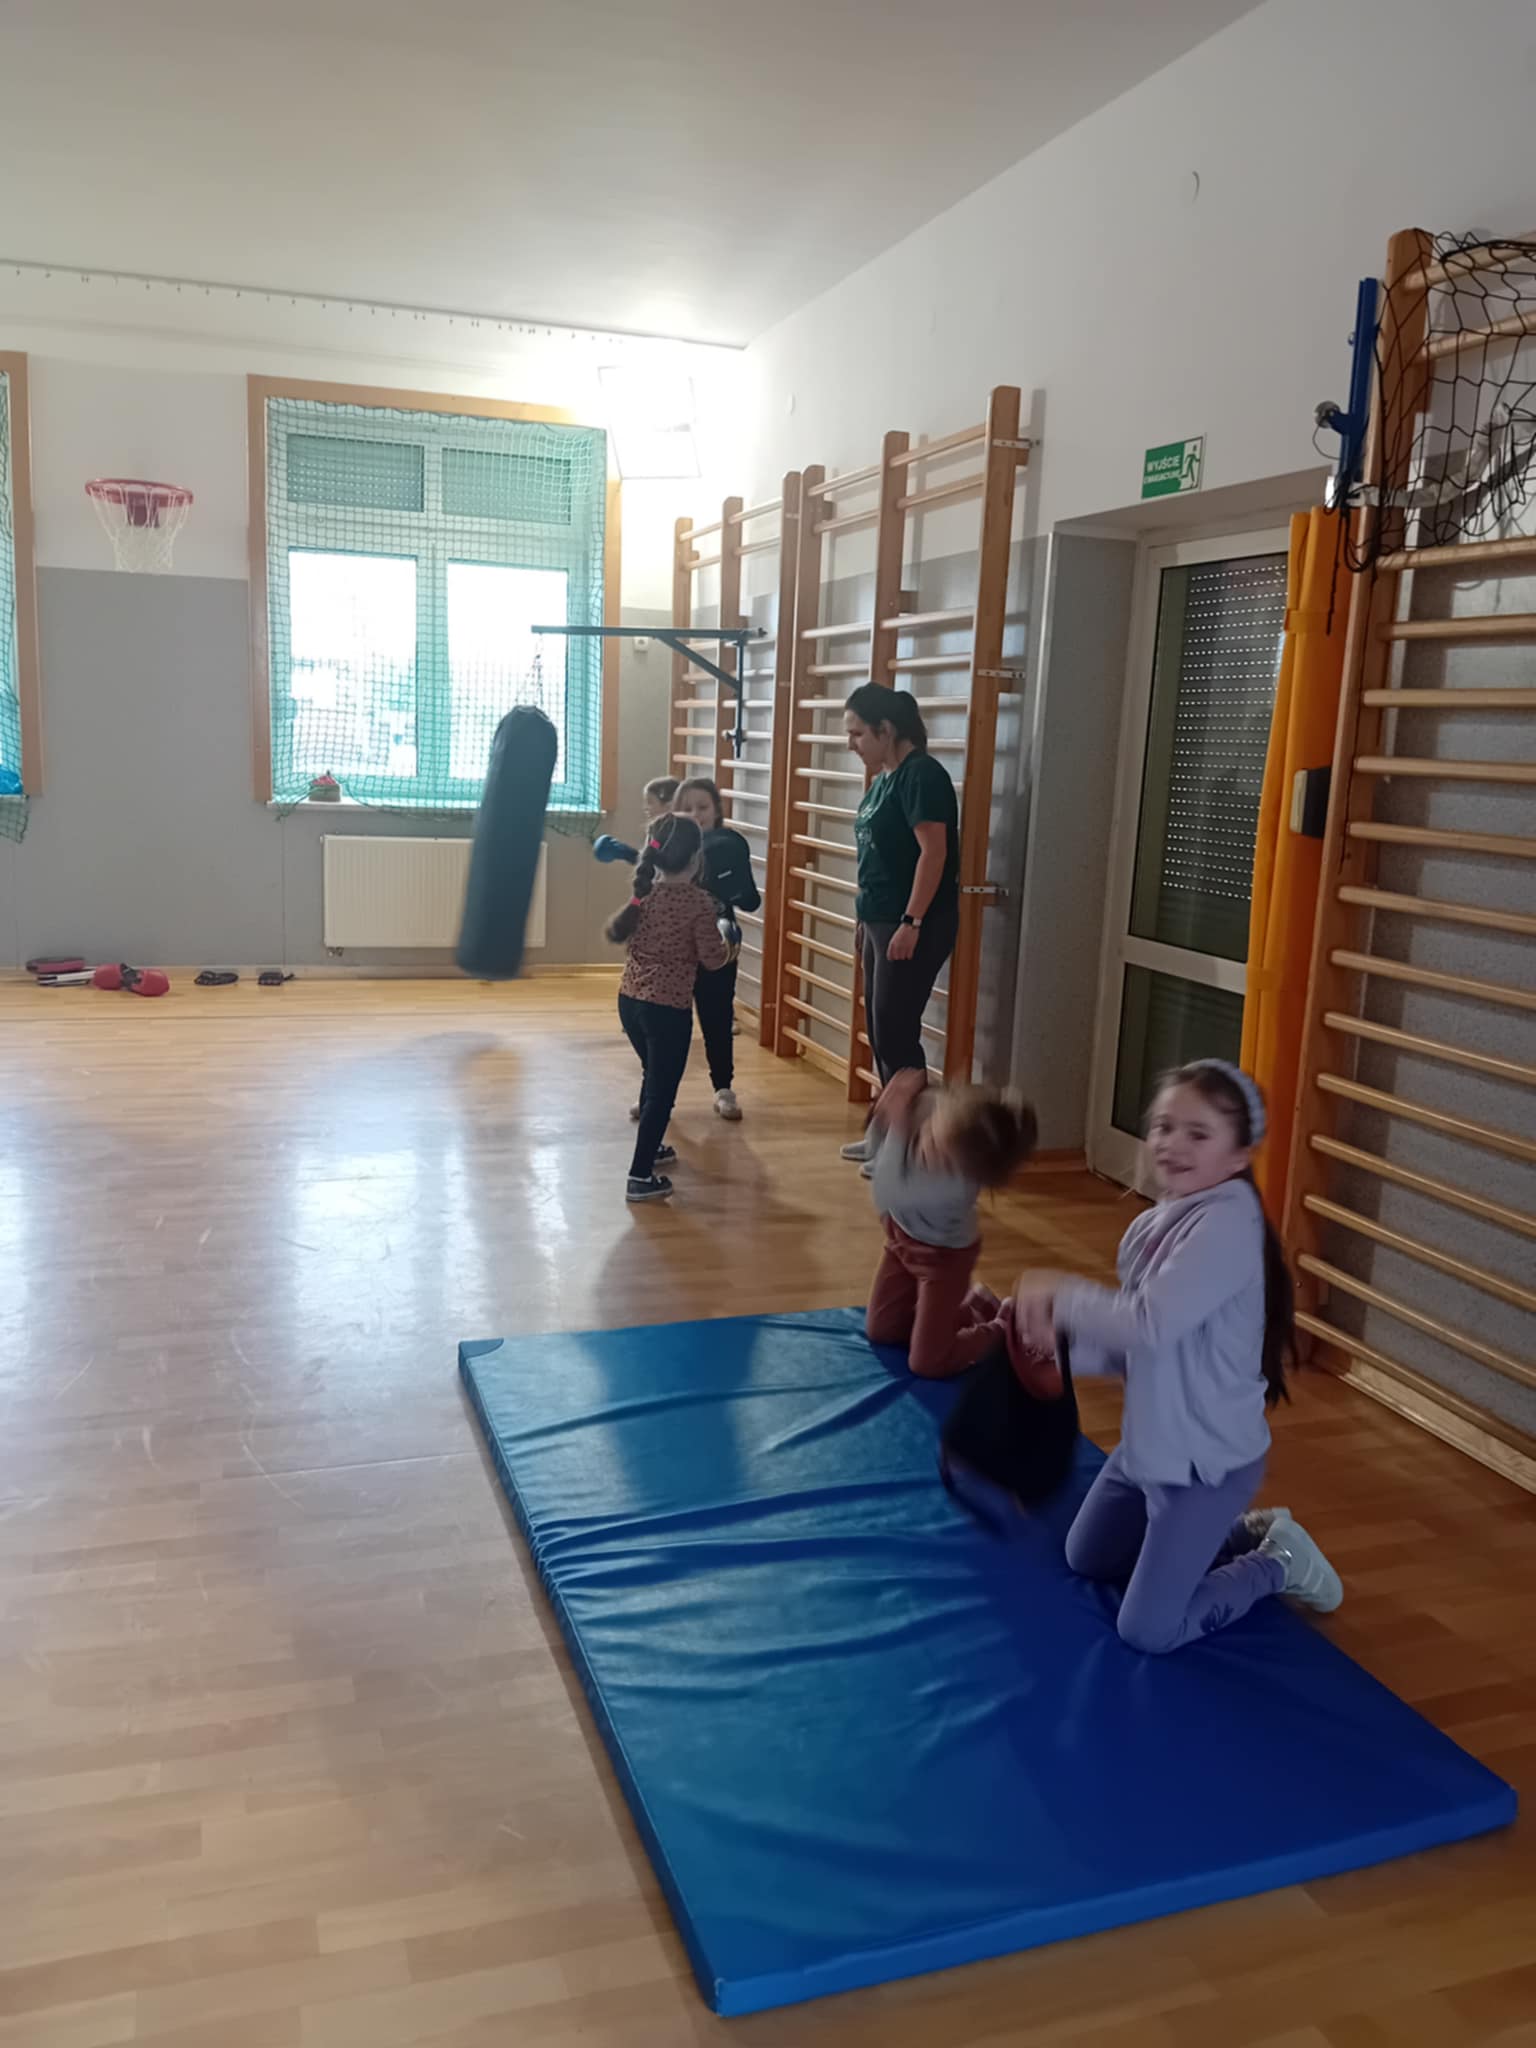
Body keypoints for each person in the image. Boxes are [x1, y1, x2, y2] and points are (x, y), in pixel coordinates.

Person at [1010, 1060, 1342, 1655]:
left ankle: (1279, 1562)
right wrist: (1055, 1349)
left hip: (1205, 1466)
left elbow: (1148, 1324)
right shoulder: (1162, 1223)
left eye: (1198, 1133)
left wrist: (1058, 1293)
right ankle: (1237, 1534)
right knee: (1087, 1558)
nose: (1172, 1144)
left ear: (1238, 1156)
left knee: (1148, 1630)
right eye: (1164, 1127)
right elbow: (1138, 1349)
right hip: (1153, 1446)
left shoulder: (1227, 1228)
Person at [838, 684, 960, 1171]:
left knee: (897, 1033)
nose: (851, 744)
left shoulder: (922, 776)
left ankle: (908, 1148)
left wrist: (912, 921)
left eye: (857, 734)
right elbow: (876, 860)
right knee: (880, 1029)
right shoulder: (884, 779)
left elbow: (934, 853)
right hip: (879, 918)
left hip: (912, 922)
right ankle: (886, 1131)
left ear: (886, 730)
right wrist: (864, 920)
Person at [864, 1068, 1042, 1378]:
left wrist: (898, 1125)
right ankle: (971, 1308)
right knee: (882, 1331)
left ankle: (1001, 1328)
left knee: (927, 1363)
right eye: (931, 1134)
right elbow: (874, 1151)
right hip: (900, 1242)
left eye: (942, 1158)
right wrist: (883, 1113)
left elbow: (885, 1190)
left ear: (964, 1171)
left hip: (942, 1260)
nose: (926, 1148)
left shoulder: (954, 1189)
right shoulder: (943, 1111)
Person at [605, 814, 728, 1203]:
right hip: (667, 1011)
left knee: (652, 1076)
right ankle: (640, 1176)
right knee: (662, 1092)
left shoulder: (643, 896)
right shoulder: (699, 903)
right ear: (696, 859)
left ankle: (652, 1146)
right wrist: (730, 941)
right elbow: (713, 960)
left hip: (630, 1003)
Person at [673, 777, 761, 1122]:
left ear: (717, 810)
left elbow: (749, 899)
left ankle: (723, 1088)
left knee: (717, 1019)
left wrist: (728, 882)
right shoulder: (666, 844)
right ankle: (656, 1093)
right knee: (669, 1025)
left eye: (702, 807)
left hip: (717, 947)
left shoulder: (728, 844)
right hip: (674, 951)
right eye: (687, 808)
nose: (695, 814)